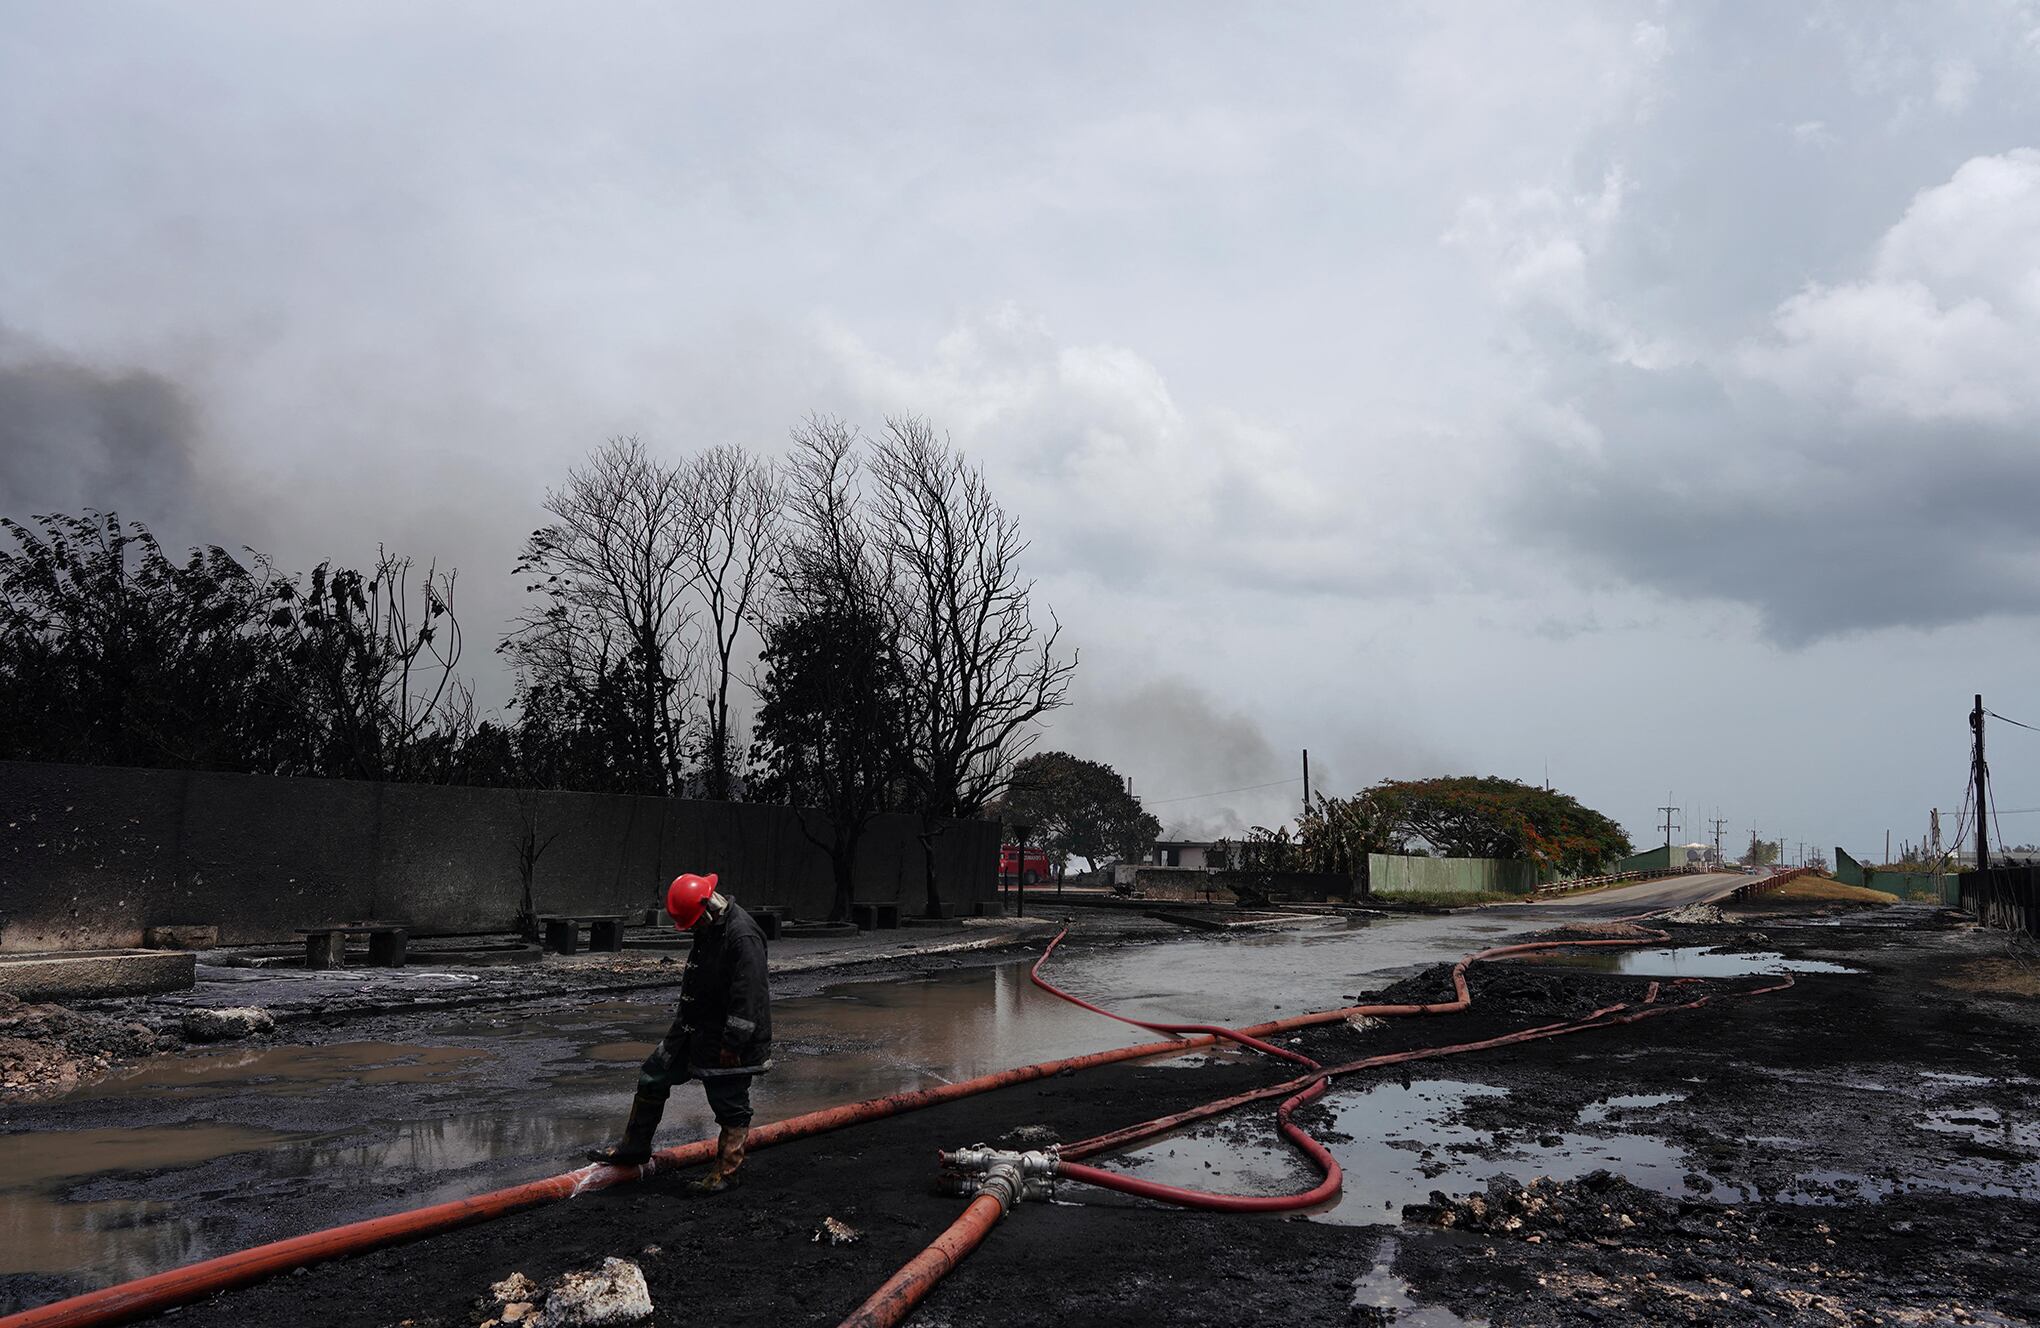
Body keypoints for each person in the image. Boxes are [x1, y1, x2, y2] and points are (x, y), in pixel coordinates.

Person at [586, 872, 772, 1192]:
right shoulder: (711, 925)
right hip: (693, 1028)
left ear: (708, 908)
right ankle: (635, 1148)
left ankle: (726, 1174)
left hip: (729, 1039)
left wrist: (733, 1042)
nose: (692, 930)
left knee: (729, 1102)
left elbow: (749, 995)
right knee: (653, 1075)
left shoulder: (742, 937)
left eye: (692, 923)